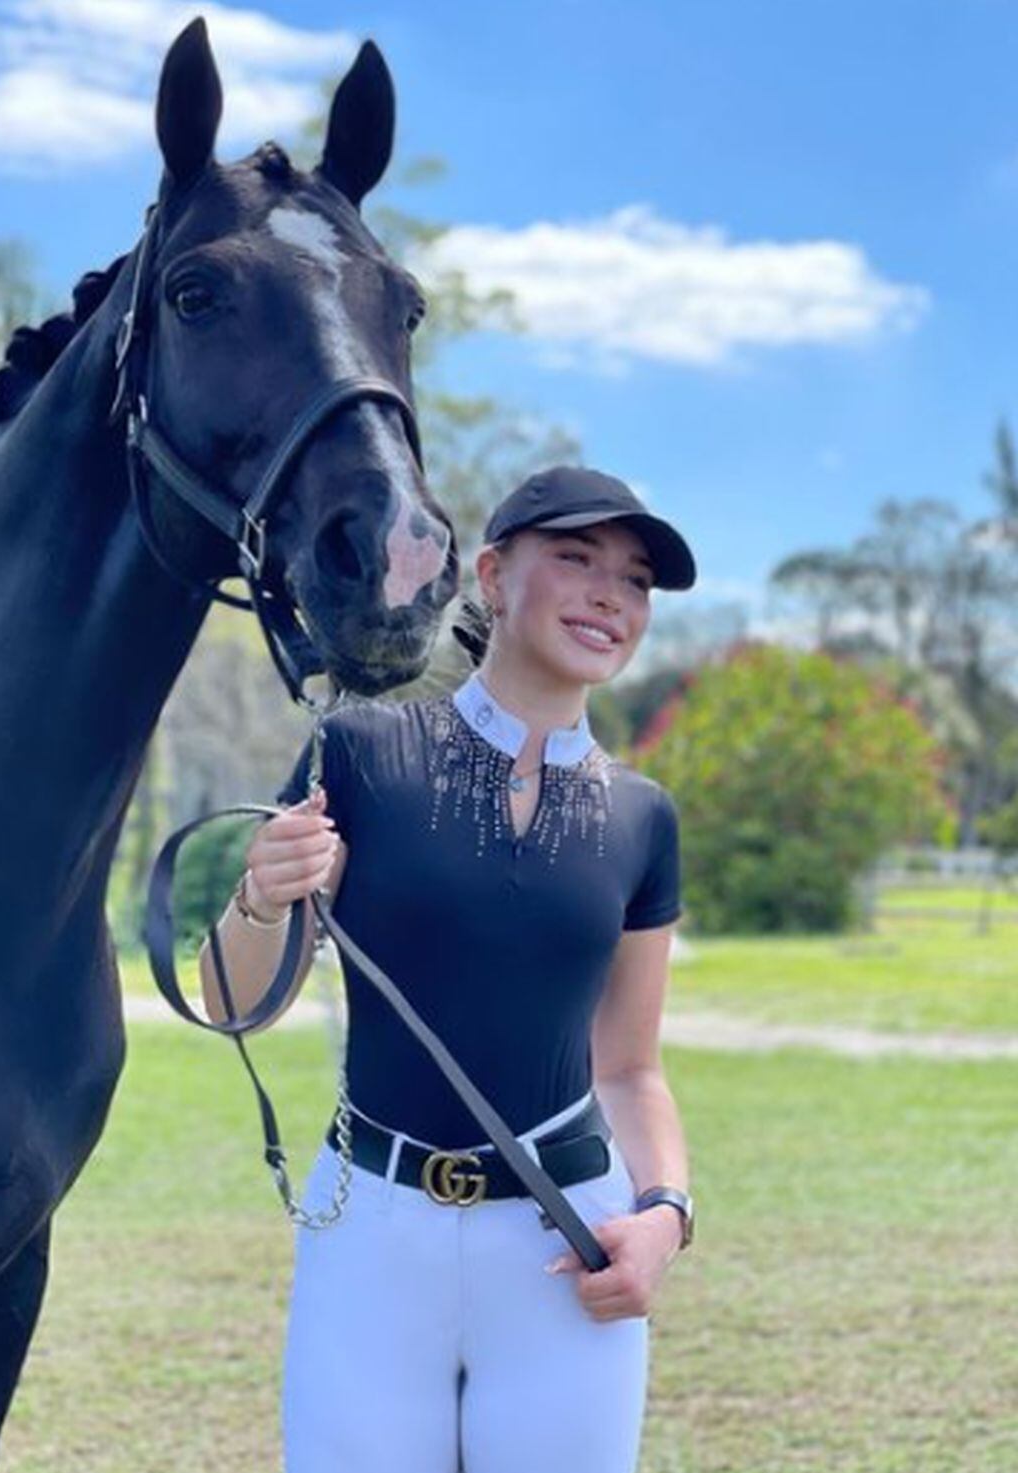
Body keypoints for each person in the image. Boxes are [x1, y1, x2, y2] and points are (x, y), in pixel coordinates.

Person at [201, 465, 697, 1473]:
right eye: (576, 557)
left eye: (636, 580)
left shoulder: (644, 817)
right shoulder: (359, 753)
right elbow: (234, 1003)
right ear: (494, 575)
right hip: (372, 1240)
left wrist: (665, 1217)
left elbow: (632, 1069)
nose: (611, 594)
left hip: (568, 1246)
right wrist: (262, 895)